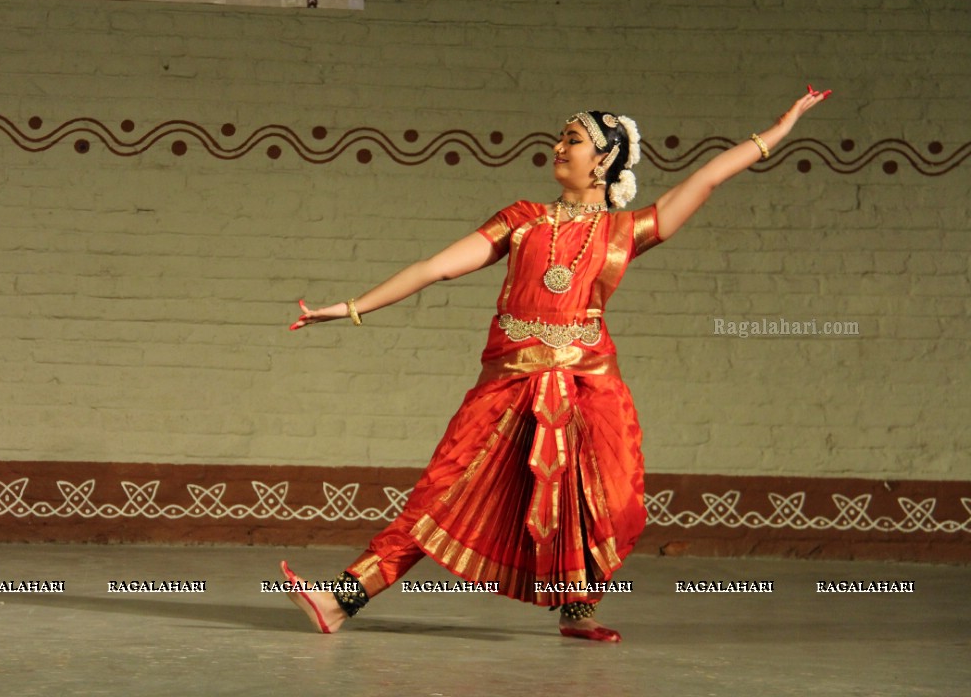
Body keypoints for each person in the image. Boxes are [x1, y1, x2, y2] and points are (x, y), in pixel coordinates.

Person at [281, 85, 832, 642]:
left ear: (605, 160)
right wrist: (351, 307)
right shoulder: (521, 221)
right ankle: (339, 600)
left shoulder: (626, 230)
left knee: (599, 504)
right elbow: (435, 268)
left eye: (572, 140)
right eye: (560, 137)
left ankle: (578, 613)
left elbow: (708, 178)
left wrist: (776, 133)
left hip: (587, 389)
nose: (558, 146)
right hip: (507, 386)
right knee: (442, 495)